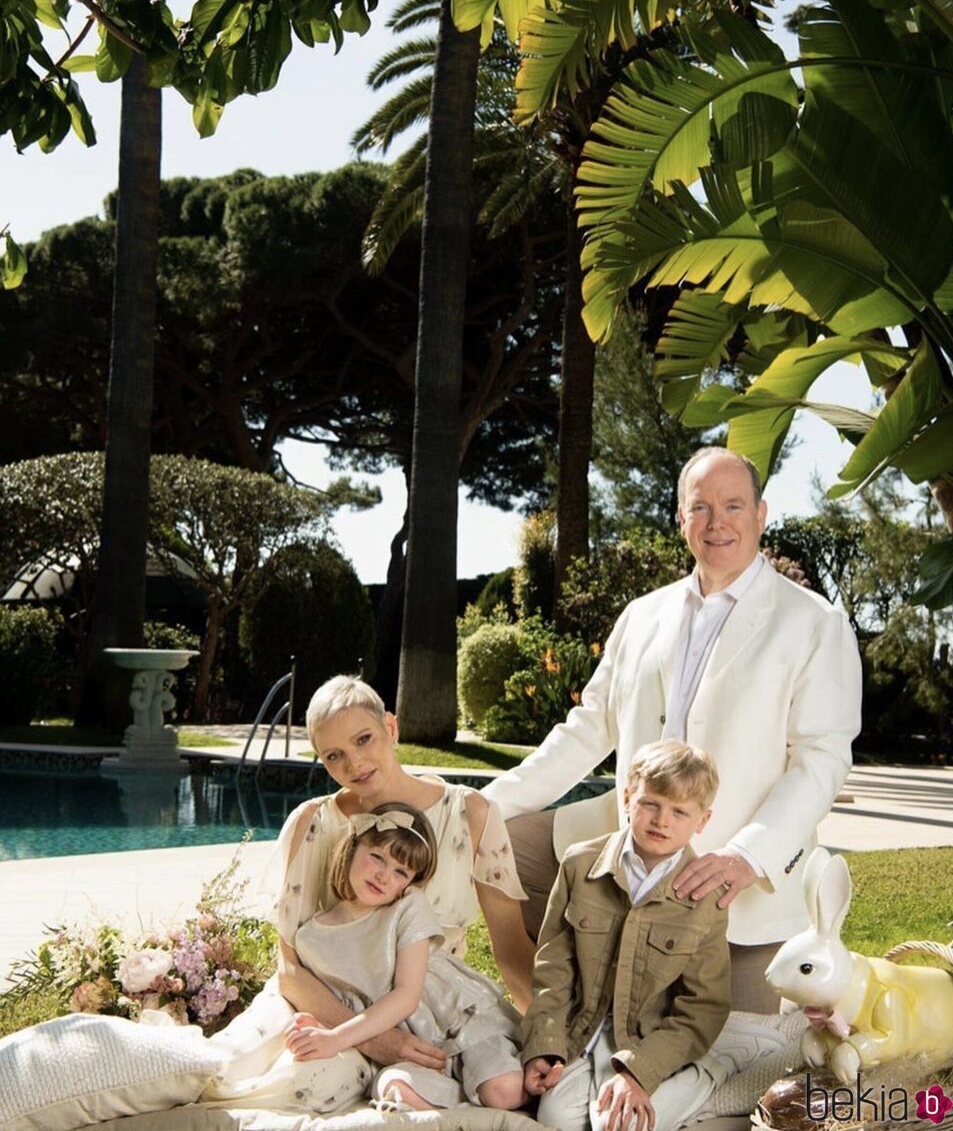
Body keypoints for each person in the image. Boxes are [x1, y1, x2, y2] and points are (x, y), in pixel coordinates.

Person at [485, 446, 862, 1012]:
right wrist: (489, 803)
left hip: (739, 889)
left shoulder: (815, 622)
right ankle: (544, 1011)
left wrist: (746, 857)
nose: (718, 523)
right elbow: (590, 727)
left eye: (734, 506)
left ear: (761, 515)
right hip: (632, 849)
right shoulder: (642, 615)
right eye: (701, 507)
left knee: (737, 1069)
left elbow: (821, 761)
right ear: (680, 518)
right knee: (501, 843)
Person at [202, 675, 535, 1117]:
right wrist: (370, 1036)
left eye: (364, 739)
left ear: (391, 729)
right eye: (334, 755)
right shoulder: (312, 823)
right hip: (321, 1005)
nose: (355, 763)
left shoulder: (469, 814)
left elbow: (511, 951)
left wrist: (548, 1043)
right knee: (221, 1068)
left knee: (287, 1088)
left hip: (433, 1013)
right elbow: (288, 968)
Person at [524, 742, 730, 1131]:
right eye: (650, 803)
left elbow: (703, 1007)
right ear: (627, 798)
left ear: (702, 820)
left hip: (652, 1041)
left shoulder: (708, 897)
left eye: (680, 812)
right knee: (552, 1119)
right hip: (584, 1035)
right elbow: (553, 971)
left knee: (614, 1126)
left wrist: (639, 1074)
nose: (661, 821)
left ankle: (709, 1075)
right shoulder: (579, 865)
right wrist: (544, 1046)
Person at [284, 802, 526, 1113]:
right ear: (353, 846)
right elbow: (337, 1001)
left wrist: (335, 1039)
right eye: (377, 857)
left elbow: (406, 996)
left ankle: (494, 1086)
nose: (384, 877)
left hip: (458, 1020)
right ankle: (465, 1103)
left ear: (410, 882)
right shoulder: (311, 939)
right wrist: (314, 1023)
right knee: (393, 1088)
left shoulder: (408, 906)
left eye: (401, 871)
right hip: (410, 1049)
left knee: (502, 1092)